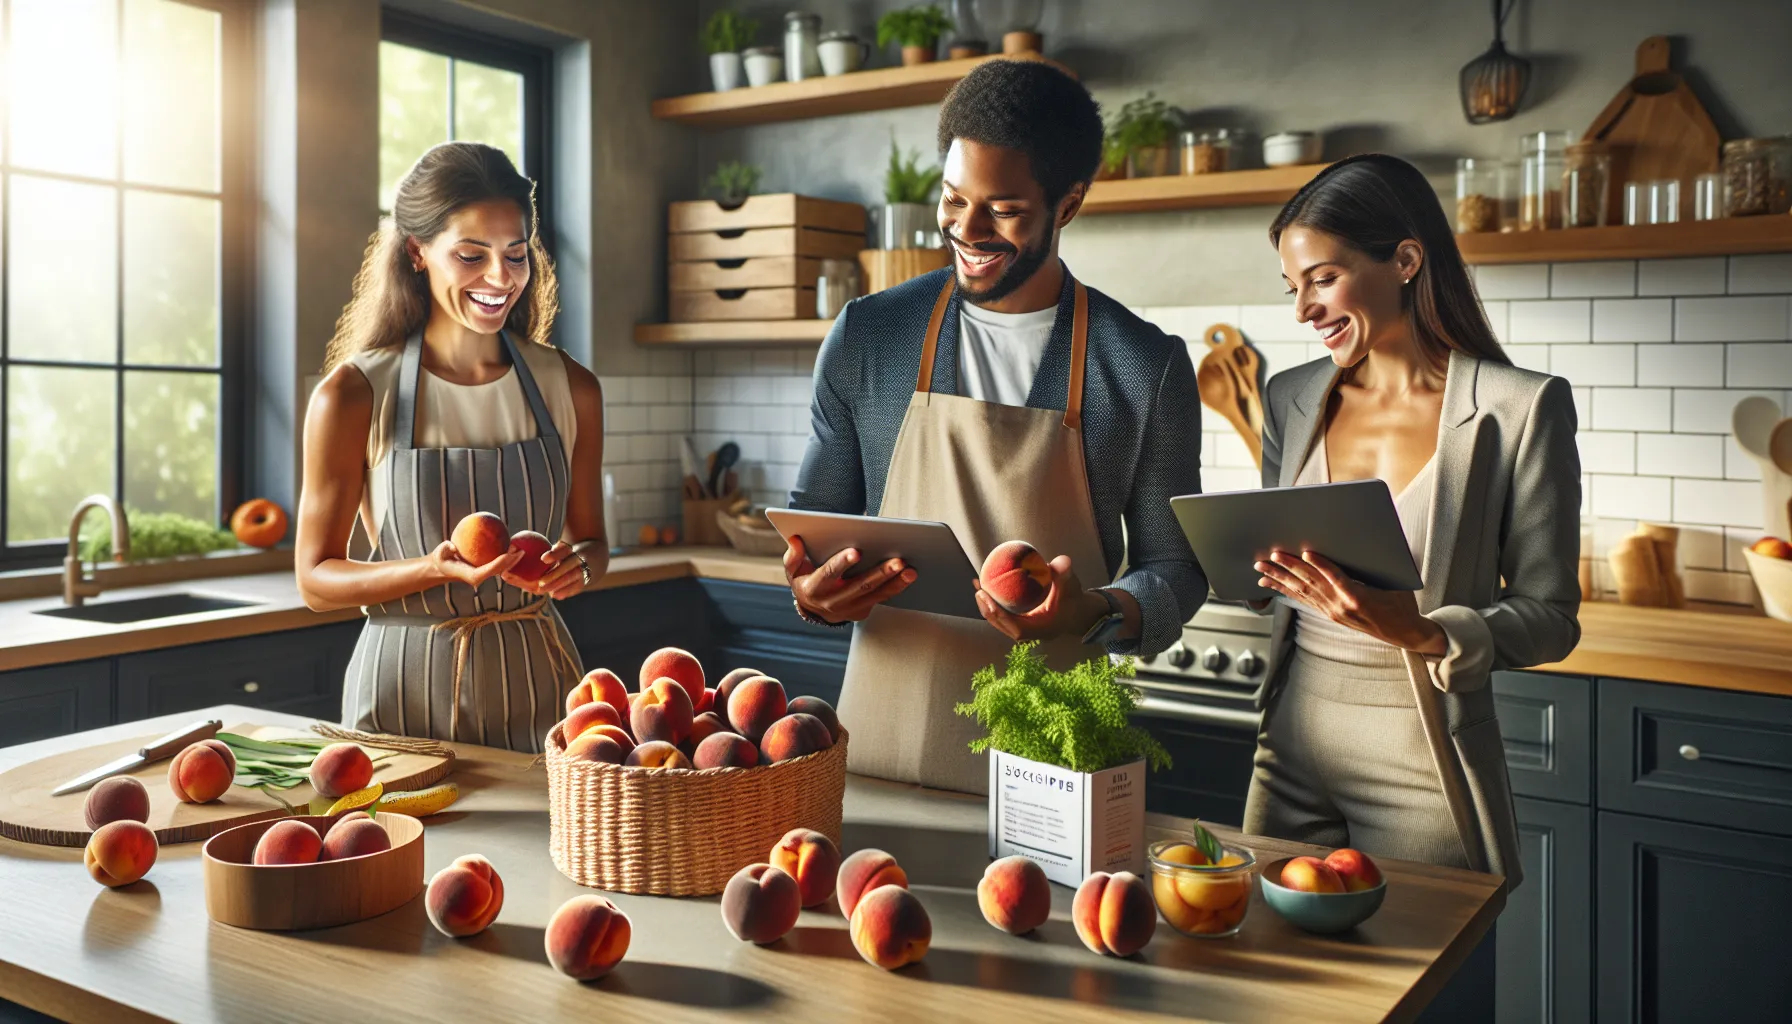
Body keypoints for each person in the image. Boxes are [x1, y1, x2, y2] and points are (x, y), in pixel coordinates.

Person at [784, 60, 1207, 795]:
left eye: (1003, 209)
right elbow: (814, 528)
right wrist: (809, 591)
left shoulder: (1144, 367)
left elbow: (1177, 568)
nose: (966, 230)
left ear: (1068, 203)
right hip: (880, 752)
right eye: (953, 199)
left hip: (1056, 756)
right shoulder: (868, 336)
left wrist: (1100, 610)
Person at [1244, 154, 1581, 886]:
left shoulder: (1519, 410)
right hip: (1290, 750)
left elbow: (1552, 616)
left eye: (1323, 279)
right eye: (1293, 287)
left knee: (1427, 985)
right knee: (1280, 987)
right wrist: (1239, 567)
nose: (1303, 310)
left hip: (1423, 758)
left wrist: (1424, 631)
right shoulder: (1292, 397)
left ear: (1404, 260)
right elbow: (1273, 575)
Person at [295, 141, 607, 753]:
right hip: (402, 693)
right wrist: (431, 570)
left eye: (515, 255)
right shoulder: (355, 394)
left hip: (541, 683)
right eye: (471, 255)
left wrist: (582, 565)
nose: (500, 278)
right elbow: (314, 580)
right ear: (417, 252)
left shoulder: (570, 387)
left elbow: (592, 539)